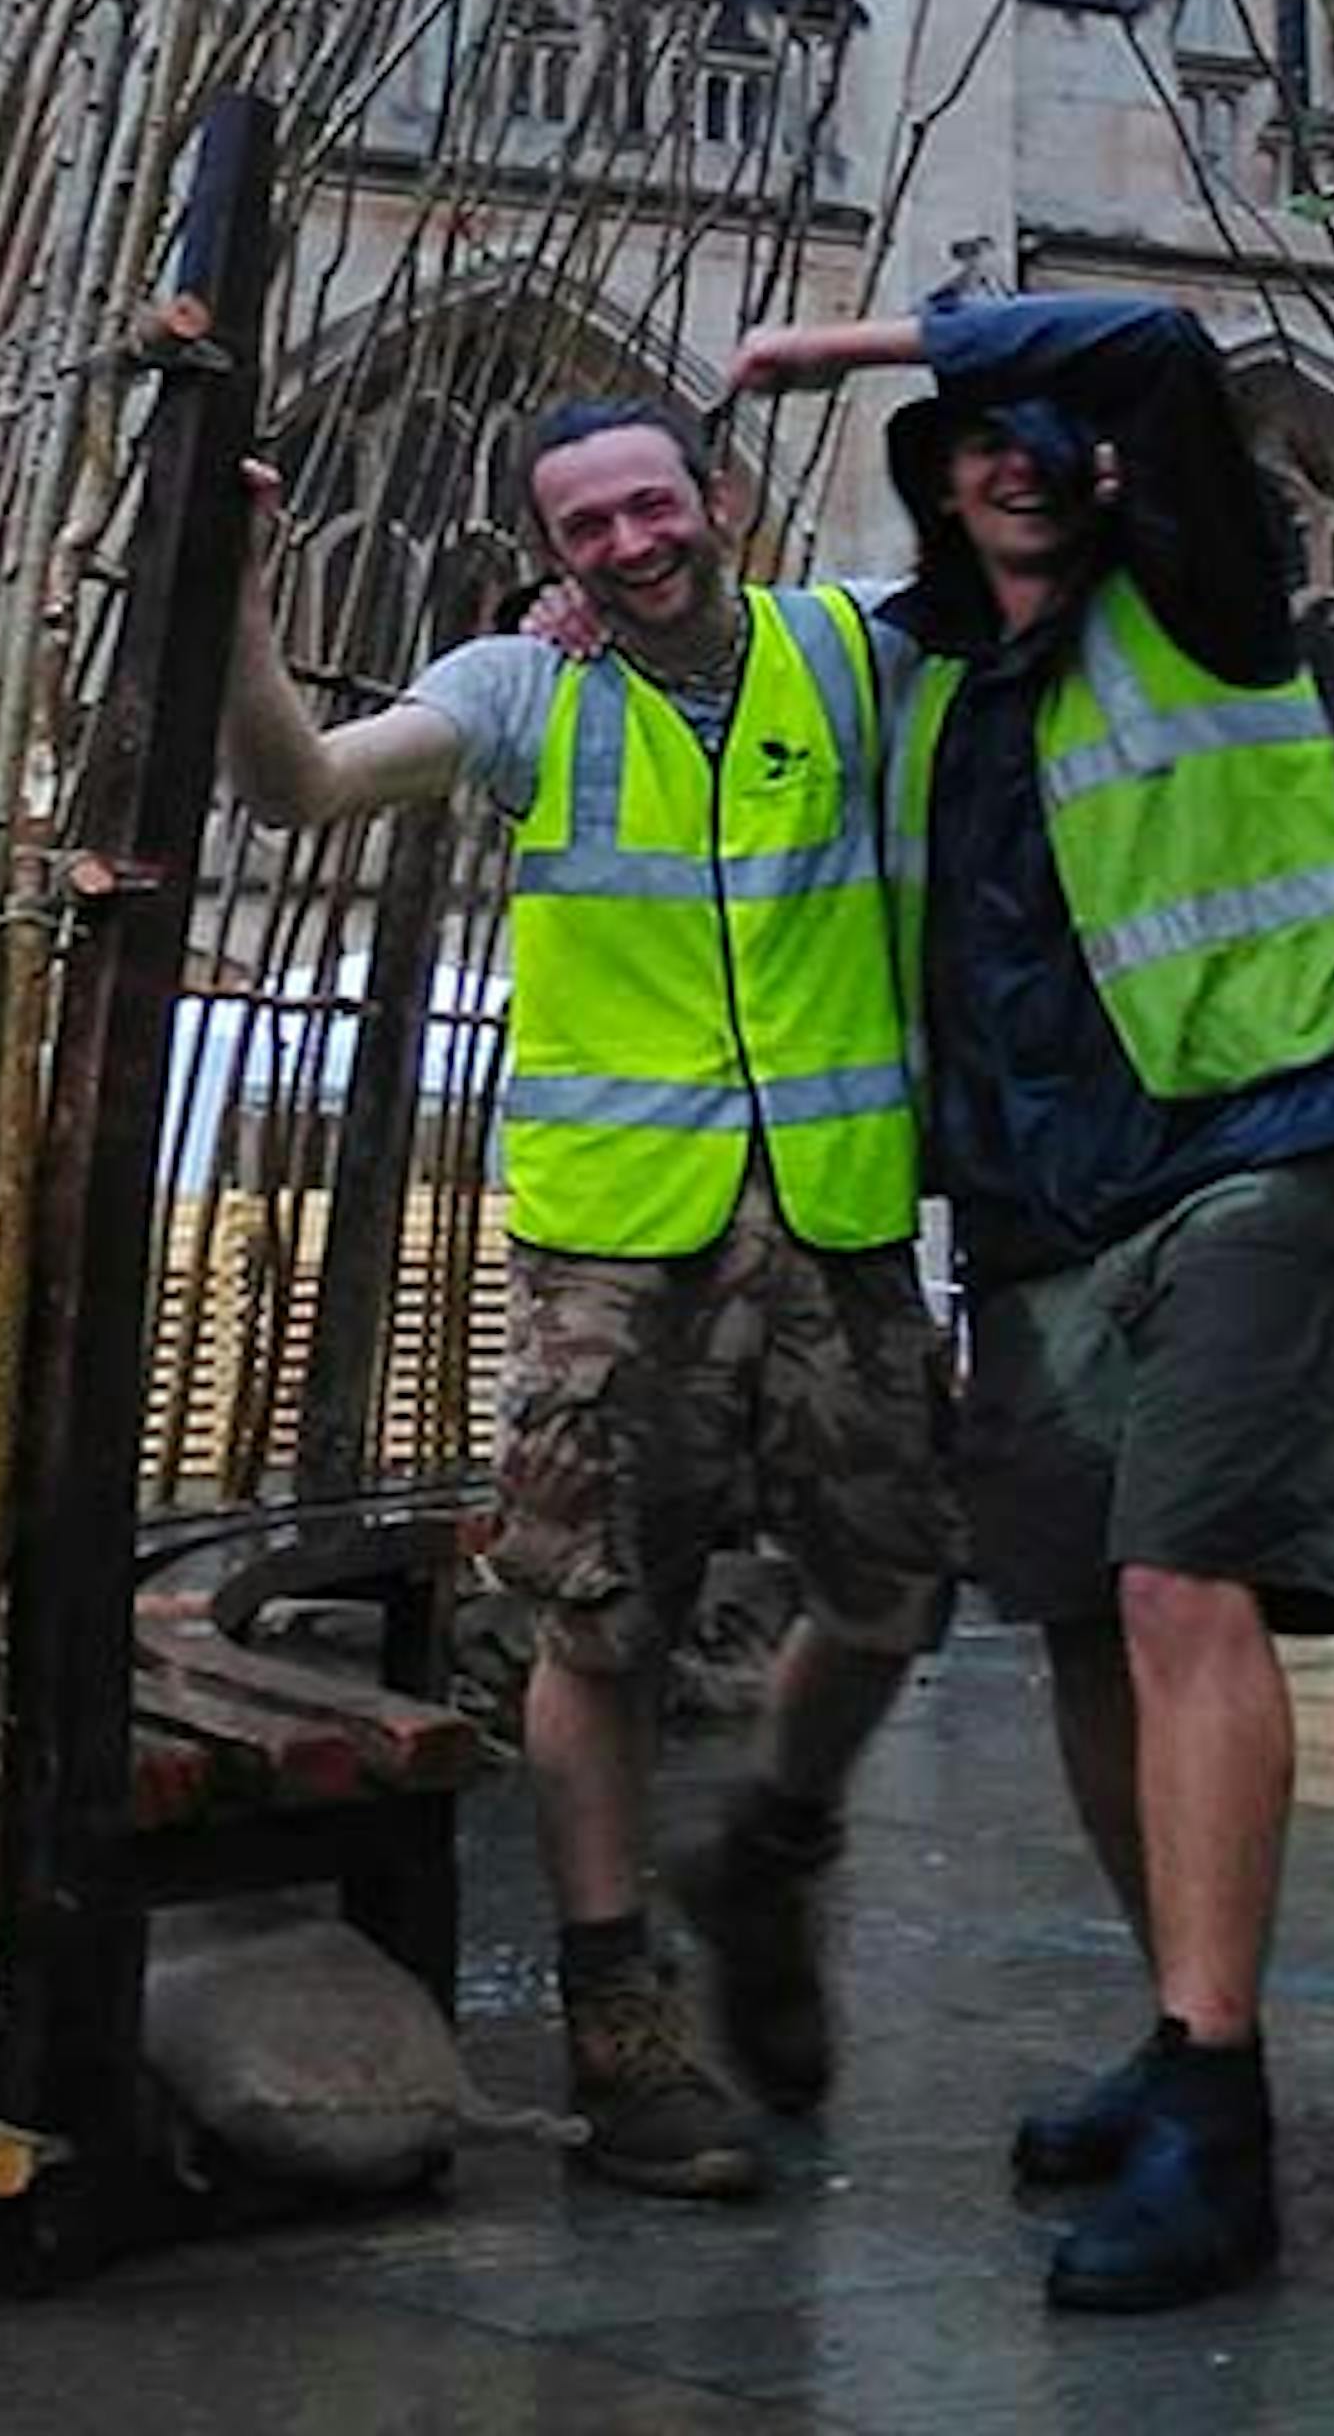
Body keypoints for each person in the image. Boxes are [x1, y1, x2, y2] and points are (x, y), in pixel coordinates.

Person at [724, 287, 1334, 2311]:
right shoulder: (924, 679)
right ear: (936, 493)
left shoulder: (1202, 592)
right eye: (971, 440)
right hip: (1037, 1208)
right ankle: (1176, 2017)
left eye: (1033, 429)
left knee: (1175, 1580)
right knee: (1074, 1622)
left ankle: (1219, 2110)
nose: (1007, 456)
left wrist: (865, 344)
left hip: (1255, 1137)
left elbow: (1155, 334)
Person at [217, 395, 954, 2202]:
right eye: (586, 532)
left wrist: (862, 344)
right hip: (613, 1246)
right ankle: (622, 2031)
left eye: (651, 508)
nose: (629, 548)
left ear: (721, 501)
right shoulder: (519, 689)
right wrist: (233, 602)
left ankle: (770, 1847)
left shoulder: (854, 649)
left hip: (842, 1215)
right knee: (598, 1624)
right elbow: (301, 783)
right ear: (551, 560)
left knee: (894, 1596)